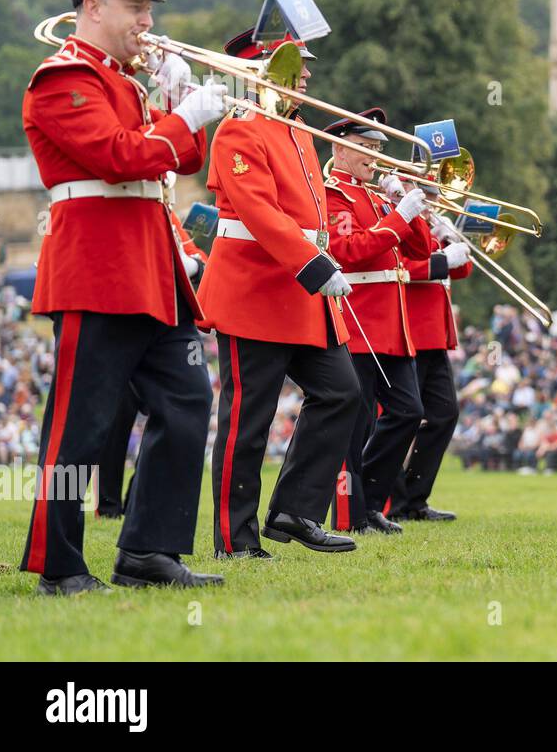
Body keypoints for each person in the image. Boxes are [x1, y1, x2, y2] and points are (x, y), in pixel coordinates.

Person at [21, 0, 226, 594]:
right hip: (97, 268)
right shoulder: (62, 78)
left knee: (188, 404)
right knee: (81, 424)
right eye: (134, 6)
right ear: (92, 7)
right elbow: (116, 157)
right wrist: (179, 117)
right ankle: (59, 564)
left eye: (148, 7)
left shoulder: (129, 82)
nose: (146, 18)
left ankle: (148, 552)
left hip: (151, 268)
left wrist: (179, 99)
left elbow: (177, 158)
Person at [199, 27, 359, 558]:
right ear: (259, 70)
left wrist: (324, 258)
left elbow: (309, 216)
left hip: (300, 292)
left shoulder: (297, 130)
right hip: (254, 291)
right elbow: (260, 213)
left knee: (342, 394)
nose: (308, 74)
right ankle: (234, 539)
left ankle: (294, 510)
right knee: (249, 420)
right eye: (296, 64)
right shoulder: (239, 128)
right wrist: (314, 263)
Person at [323, 109, 435, 535]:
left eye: (377, 149)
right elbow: (350, 250)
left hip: (392, 323)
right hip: (359, 316)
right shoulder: (335, 194)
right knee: (356, 422)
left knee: (409, 412)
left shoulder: (379, 195)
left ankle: (368, 502)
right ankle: (351, 515)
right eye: (365, 149)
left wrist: (405, 201)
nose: (374, 158)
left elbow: (421, 249)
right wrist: (397, 217)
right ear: (340, 149)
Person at [96, 204, 208, 519]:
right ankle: (108, 505)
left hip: (161, 328)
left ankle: (134, 498)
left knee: (169, 417)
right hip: (122, 323)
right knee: (116, 422)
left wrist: (192, 266)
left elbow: (199, 257)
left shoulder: (166, 213)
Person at [381, 193, 472, 522]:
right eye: (428, 190)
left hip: (435, 334)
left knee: (444, 414)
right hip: (409, 329)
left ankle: (414, 499)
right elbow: (395, 267)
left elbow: (461, 270)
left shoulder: (428, 221)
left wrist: (449, 239)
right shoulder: (396, 214)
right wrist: (441, 261)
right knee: (401, 416)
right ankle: (391, 502)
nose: (434, 197)